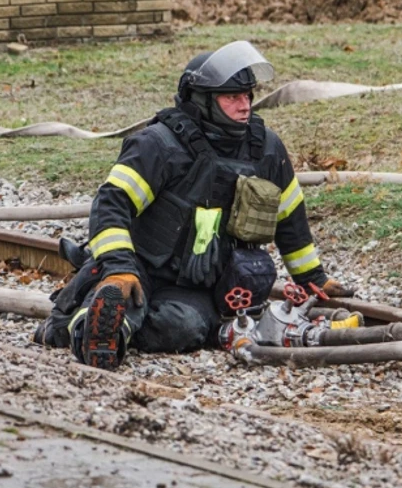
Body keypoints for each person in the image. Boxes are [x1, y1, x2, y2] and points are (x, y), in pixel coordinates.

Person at [33, 41, 354, 369]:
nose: (245, 106)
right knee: (125, 301)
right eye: (232, 97)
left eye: (247, 95)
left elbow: (290, 217)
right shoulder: (158, 145)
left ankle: (113, 326)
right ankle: (85, 328)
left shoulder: (266, 149)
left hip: (197, 284)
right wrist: (118, 267)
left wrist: (311, 276)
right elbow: (111, 203)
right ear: (201, 100)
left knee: (186, 328)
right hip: (138, 266)